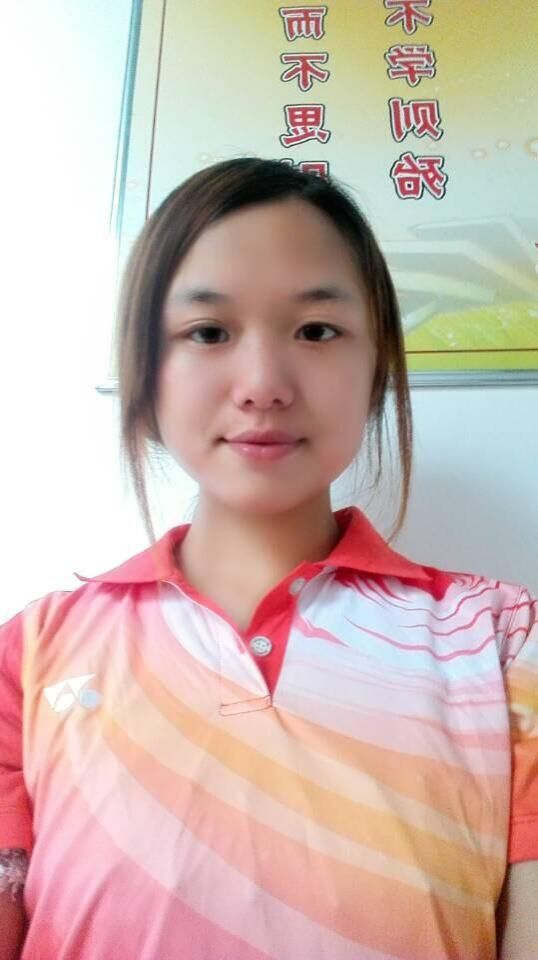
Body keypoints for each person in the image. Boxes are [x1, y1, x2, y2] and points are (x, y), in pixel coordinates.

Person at [0, 158, 536, 960]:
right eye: (208, 332)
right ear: (145, 369)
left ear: (379, 363)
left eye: (316, 330)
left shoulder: (503, 640)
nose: (262, 384)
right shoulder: (31, 656)